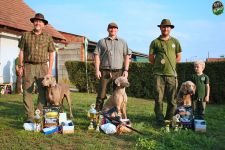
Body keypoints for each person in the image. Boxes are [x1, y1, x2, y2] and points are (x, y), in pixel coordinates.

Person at [17, 13, 55, 123]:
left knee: (43, 91)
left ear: (43, 24)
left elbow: (51, 53)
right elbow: (21, 51)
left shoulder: (48, 37)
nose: (37, 23)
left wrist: (49, 71)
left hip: (43, 66)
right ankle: (29, 116)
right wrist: (20, 66)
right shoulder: (25, 35)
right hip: (28, 66)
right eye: (36, 21)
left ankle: (39, 114)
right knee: (27, 92)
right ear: (33, 23)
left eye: (40, 21)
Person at [149, 19, 182, 125]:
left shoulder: (175, 42)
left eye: (168, 27)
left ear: (170, 28)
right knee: (158, 98)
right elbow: (151, 58)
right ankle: (159, 119)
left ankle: (168, 119)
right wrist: (159, 66)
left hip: (172, 75)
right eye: (163, 26)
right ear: (160, 28)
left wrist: (169, 65)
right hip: (158, 75)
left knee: (172, 100)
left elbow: (178, 57)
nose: (165, 28)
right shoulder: (155, 42)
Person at [94, 22, 132, 111]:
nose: (113, 30)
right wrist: (97, 70)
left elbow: (127, 56)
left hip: (118, 72)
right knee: (101, 93)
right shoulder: (101, 42)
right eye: (111, 28)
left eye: (115, 28)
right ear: (108, 29)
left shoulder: (123, 42)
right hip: (105, 71)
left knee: (118, 94)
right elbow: (96, 56)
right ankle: (97, 114)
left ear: (117, 30)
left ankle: (115, 114)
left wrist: (126, 70)